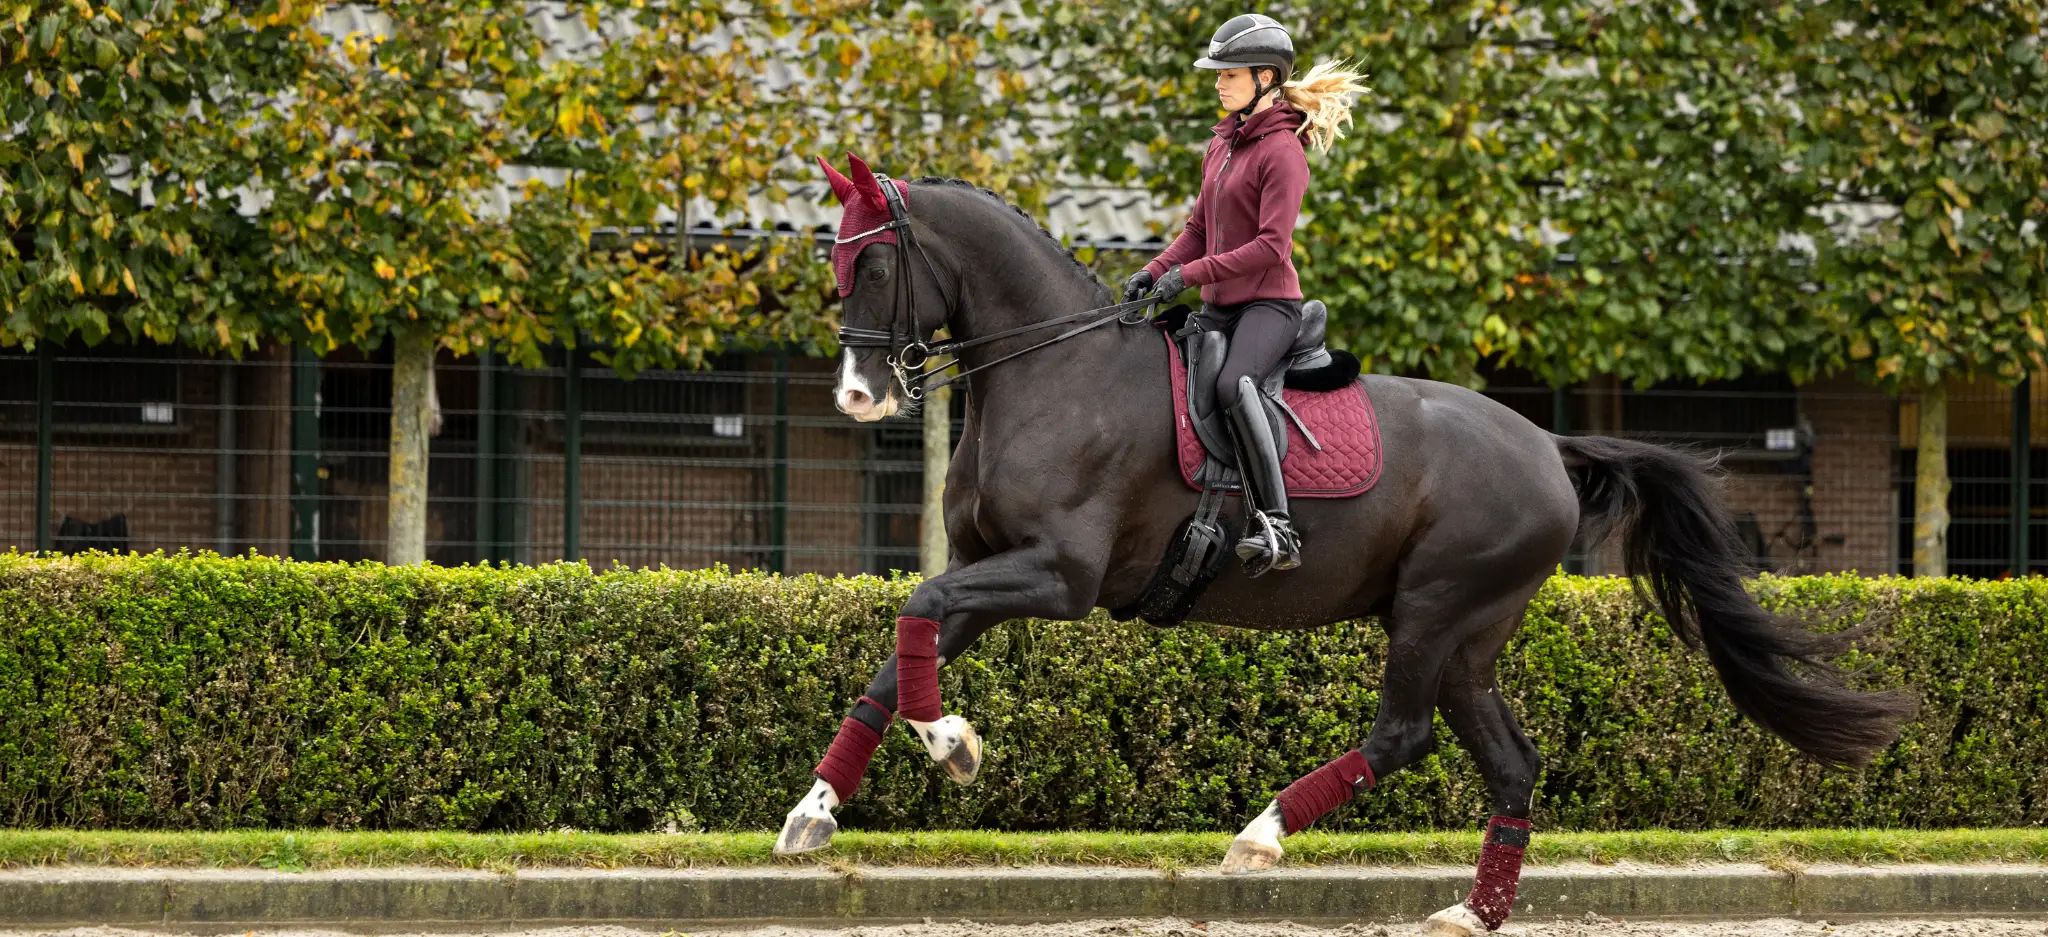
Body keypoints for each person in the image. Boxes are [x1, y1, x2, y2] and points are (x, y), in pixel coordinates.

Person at [1123, 14, 1366, 577]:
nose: (1217, 82)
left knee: (1235, 384)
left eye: (1228, 73)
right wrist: (1153, 271)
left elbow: (1270, 248)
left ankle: (1277, 525)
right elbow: (1197, 231)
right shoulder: (1223, 144)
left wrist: (1188, 277)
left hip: (1268, 307)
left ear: (1264, 77)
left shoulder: (1282, 152)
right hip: (1219, 307)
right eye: (1217, 73)